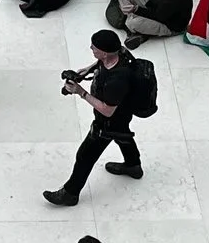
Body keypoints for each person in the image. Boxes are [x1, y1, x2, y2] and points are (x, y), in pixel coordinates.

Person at [45, 29, 152, 206]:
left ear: (105, 52)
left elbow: (107, 110)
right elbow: (101, 62)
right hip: (122, 114)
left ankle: (70, 193)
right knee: (122, 135)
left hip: (109, 121)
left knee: (85, 155)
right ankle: (133, 166)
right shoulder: (121, 53)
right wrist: (88, 69)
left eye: (94, 48)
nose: (91, 49)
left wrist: (80, 92)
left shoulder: (117, 81)